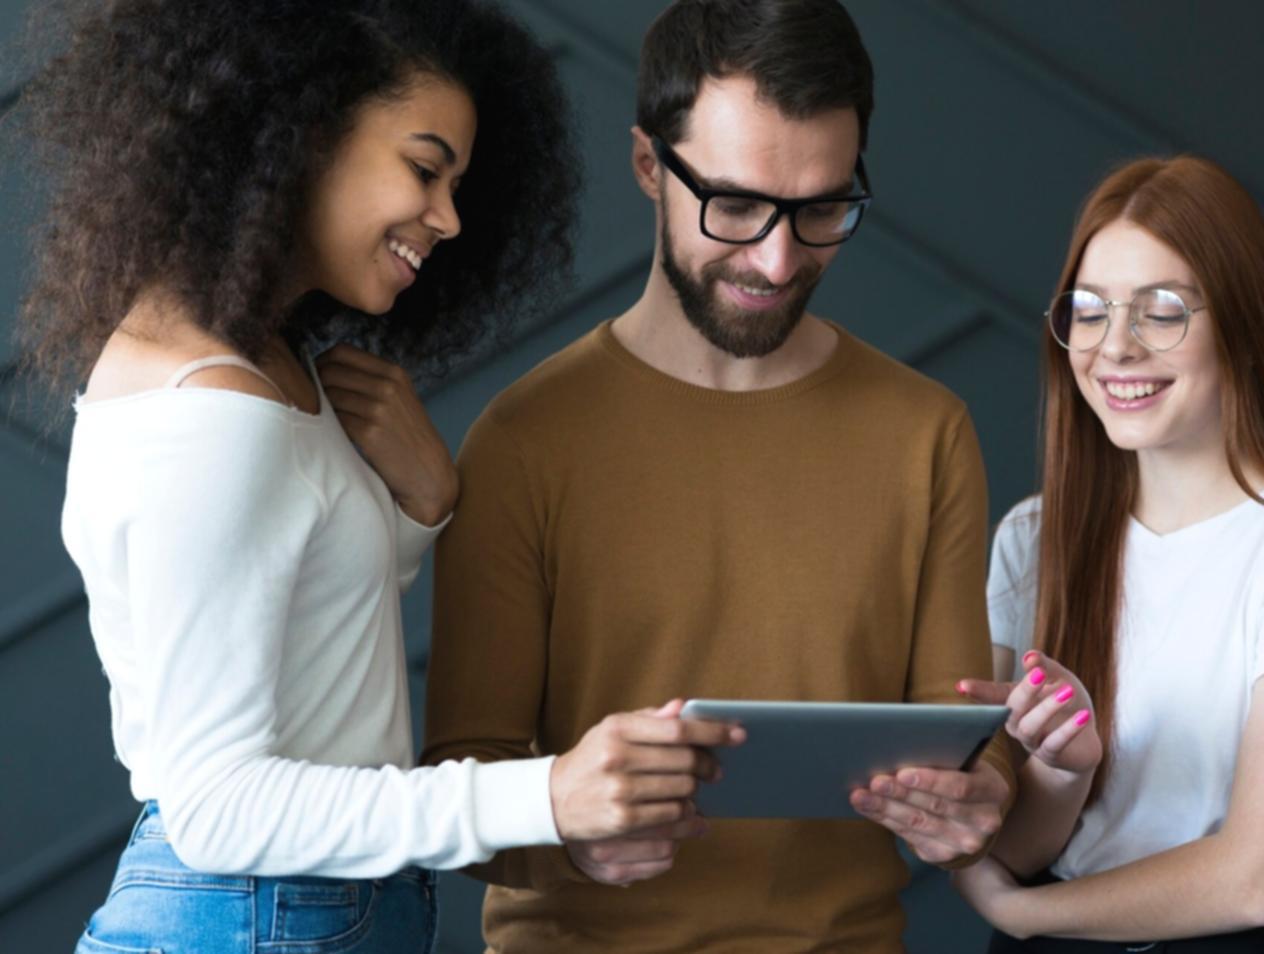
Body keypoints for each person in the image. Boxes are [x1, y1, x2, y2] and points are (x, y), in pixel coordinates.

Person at [14, 2, 738, 951]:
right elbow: (218, 809)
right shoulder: (213, 417)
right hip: (255, 913)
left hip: (300, 911)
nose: (447, 217)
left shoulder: (258, 360)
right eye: (424, 167)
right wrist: (549, 794)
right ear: (299, 131)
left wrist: (423, 509)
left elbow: (308, 630)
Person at [420, 0, 1017, 950]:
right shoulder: (525, 440)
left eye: (821, 207)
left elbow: (956, 742)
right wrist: (568, 838)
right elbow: (462, 773)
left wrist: (982, 800)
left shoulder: (925, 432)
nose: (779, 260)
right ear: (651, 165)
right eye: (734, 204)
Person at [952, 156, 1264, 952]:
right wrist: (1064, 771)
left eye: (1161, 311)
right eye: (1089, 311)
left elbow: (1255, 882)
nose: (1115, 348)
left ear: (1242, 325)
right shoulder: (1032, 537)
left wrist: (1021, 914)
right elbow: (1011, 846)